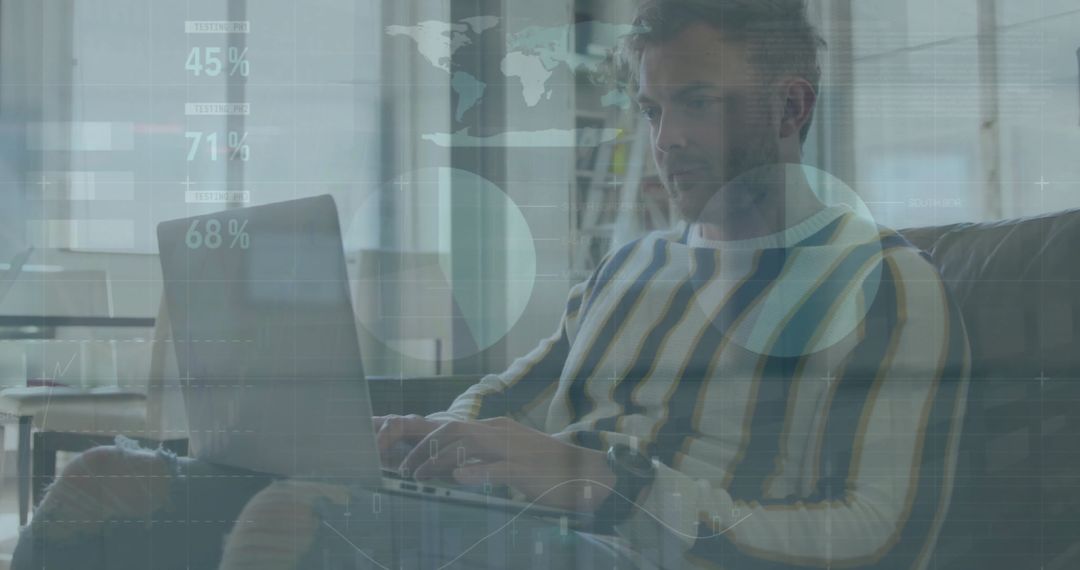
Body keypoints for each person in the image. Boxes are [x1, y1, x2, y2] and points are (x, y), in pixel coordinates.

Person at [13, 1, 970, 568]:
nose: (665, 137)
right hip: (530, 526)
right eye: (651, 106)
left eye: (697, 102)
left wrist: (609, 482)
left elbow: (884, 539)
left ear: (790, 107)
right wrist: (414, 438)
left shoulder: (885, 285)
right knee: (106, 481)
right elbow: (504, 398)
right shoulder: (630, 270)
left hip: (642, 551)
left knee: (296, 524)